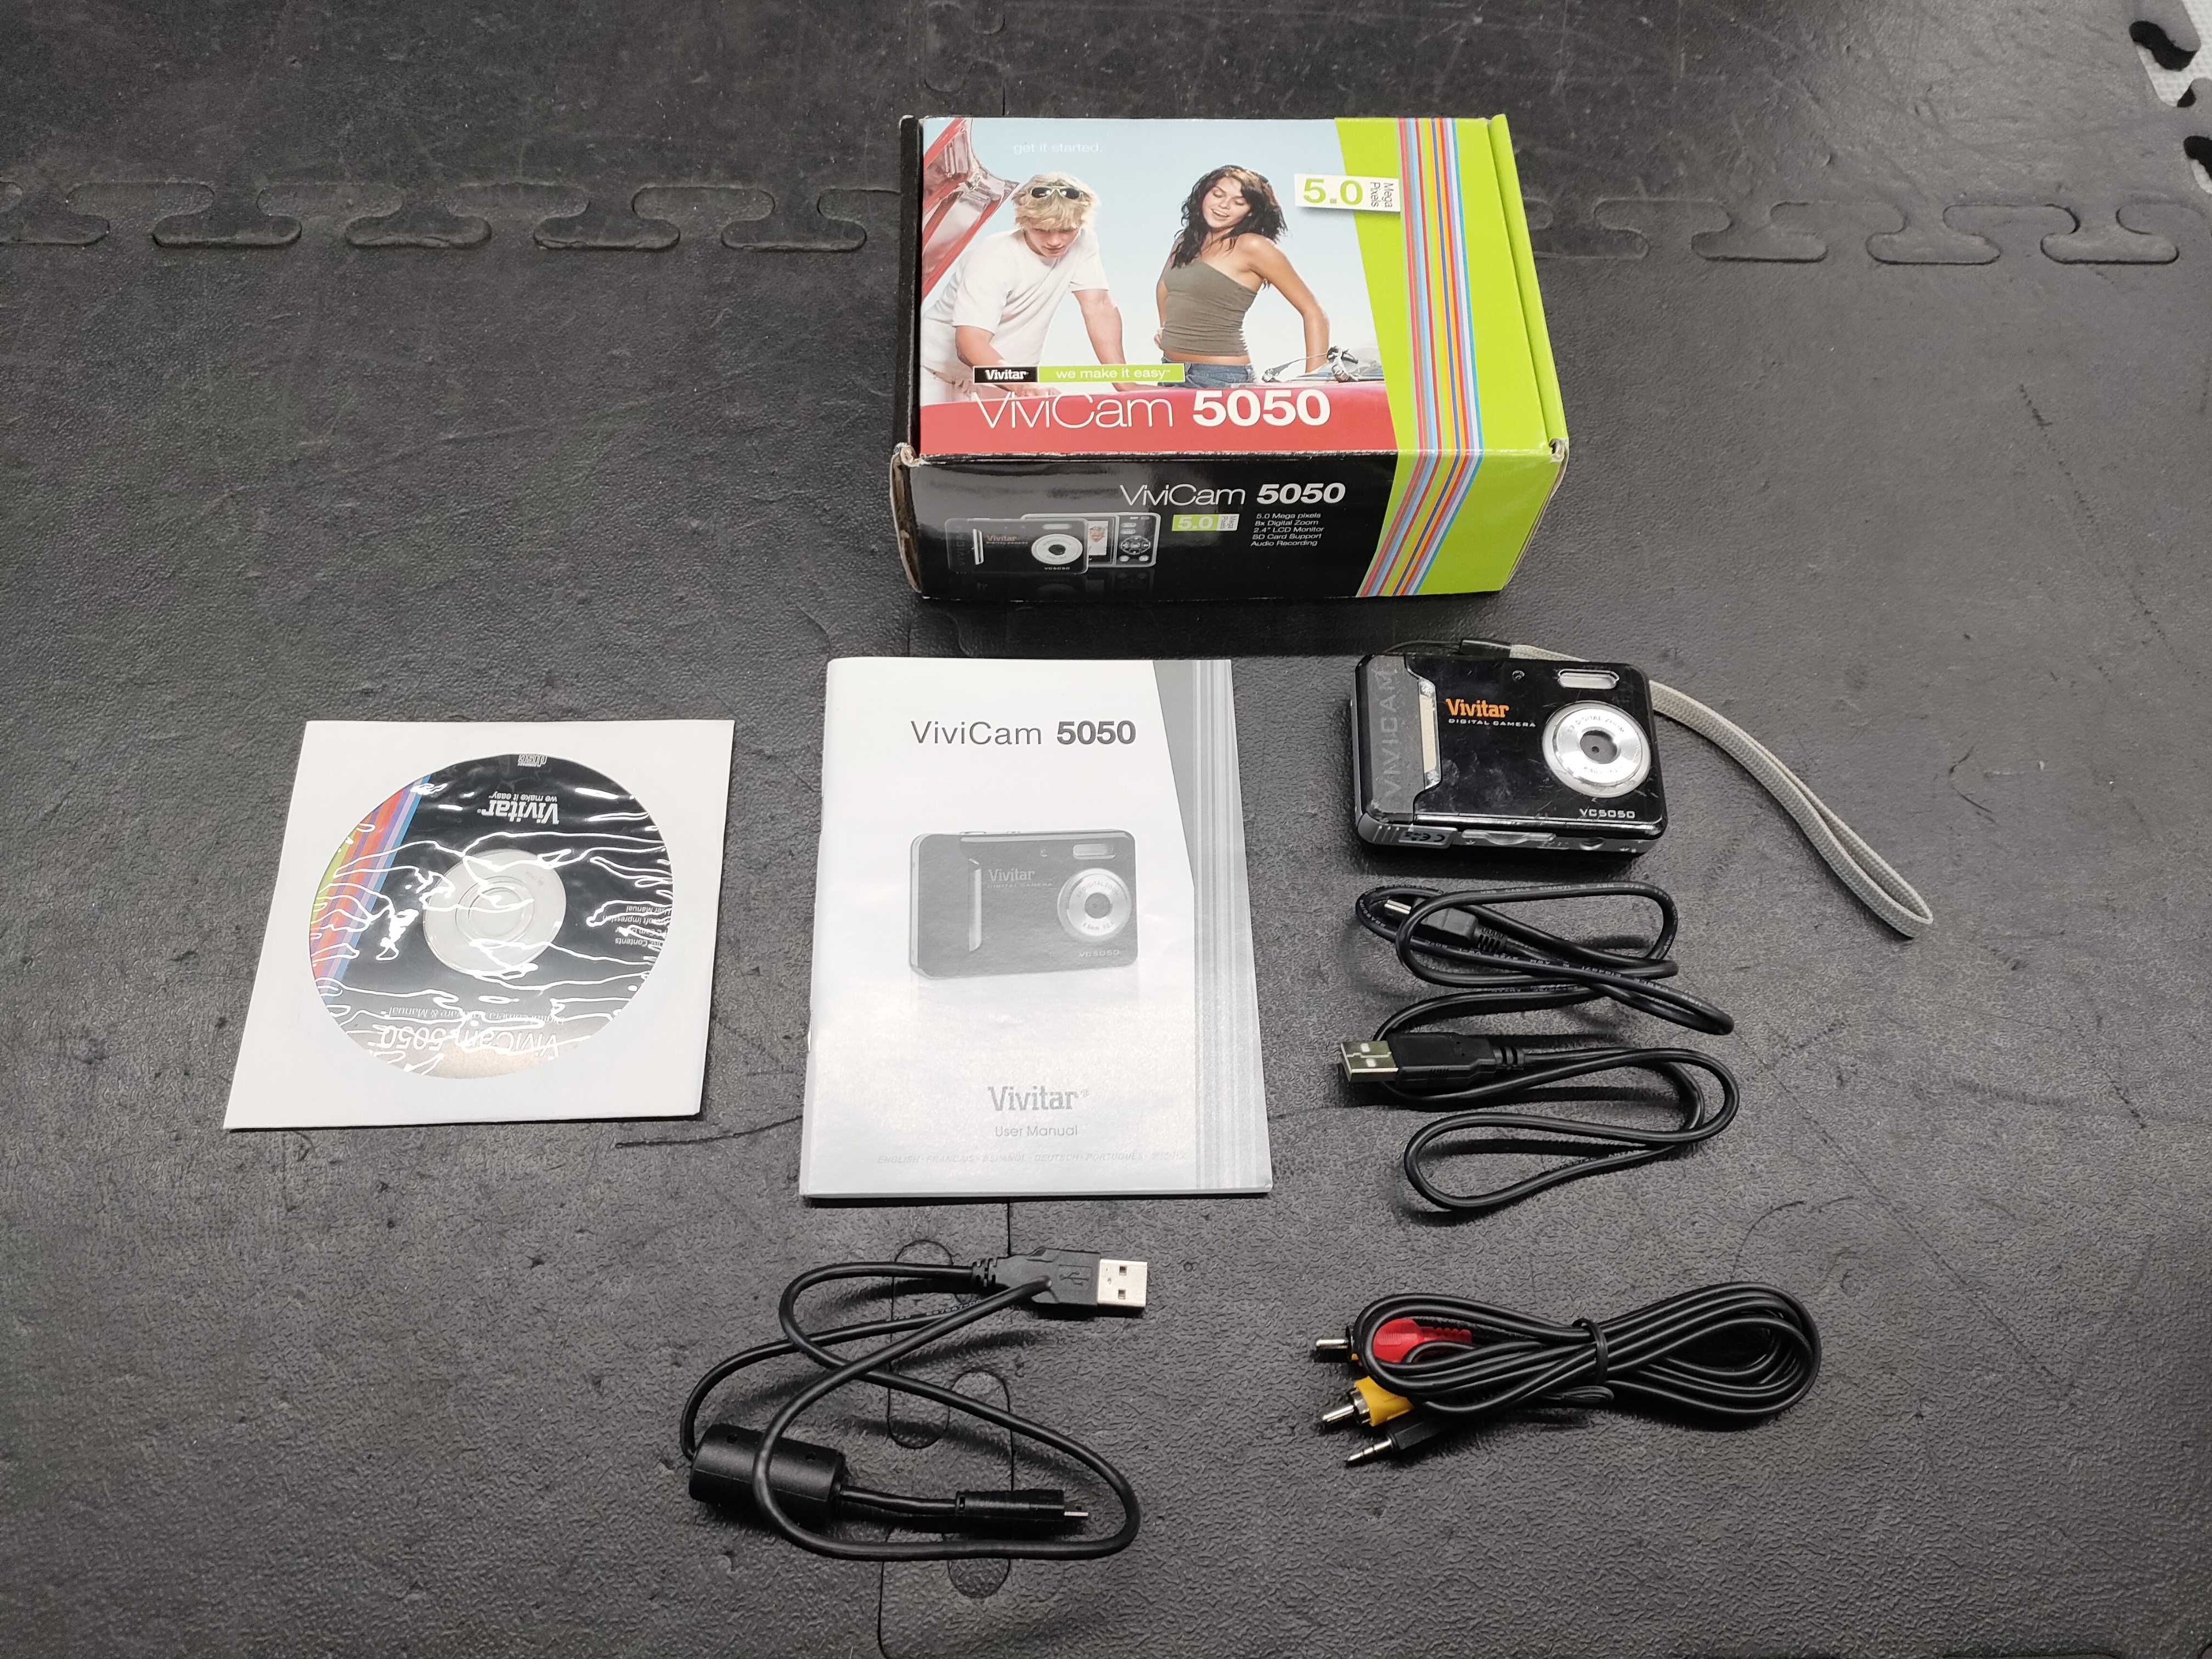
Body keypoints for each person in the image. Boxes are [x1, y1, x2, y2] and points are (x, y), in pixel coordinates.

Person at [917, 172, 1127, 403]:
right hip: (936, 373)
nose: (1055, 241)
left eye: (1067, 230)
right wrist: (1022, 384)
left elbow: (1099, 306)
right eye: (1042, 230)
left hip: (1004, 379)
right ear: (1024, 222)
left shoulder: (1083, 242)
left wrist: (1124, 382)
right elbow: (969, 344)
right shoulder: (994, 256)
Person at [1155, 166, 1329, 388]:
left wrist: (1314, 383)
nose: (1224, 205)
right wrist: (1168, 330)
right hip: (1170, 371)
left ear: (1250, 211)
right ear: (1204, 195)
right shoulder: (1185, 242)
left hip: (1219, 378)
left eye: (1239, 202)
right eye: (1218, 194)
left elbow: (1313, 312)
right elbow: (1164, 287)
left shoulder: (1254, 247)